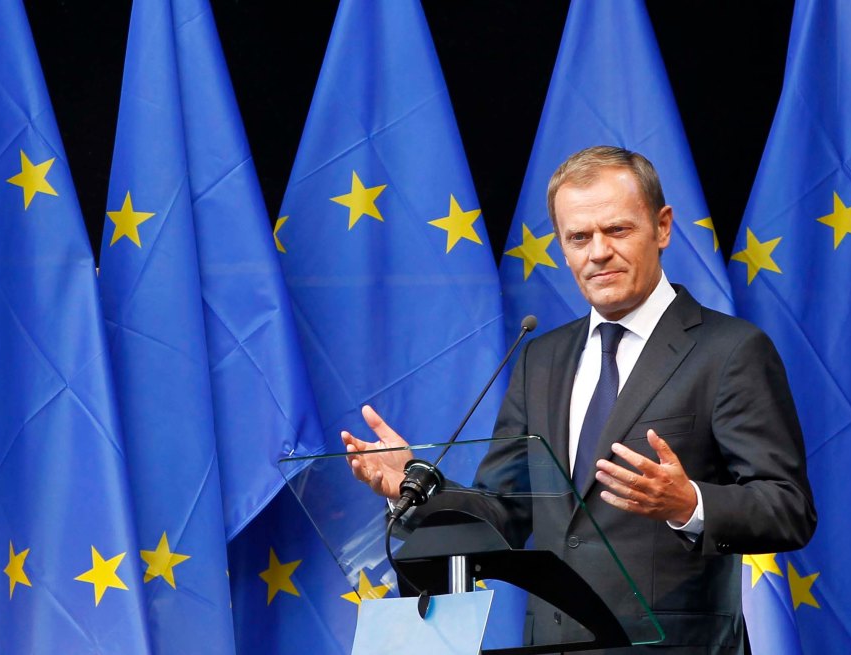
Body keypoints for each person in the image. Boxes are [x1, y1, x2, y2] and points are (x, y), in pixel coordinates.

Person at [341, 146, 816, 654]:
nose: (598, 252)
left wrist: (689, 504)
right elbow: (504, 510)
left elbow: (788, 508)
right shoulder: (540, 357)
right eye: (579, 237)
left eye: (617, 230)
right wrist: (414, 486)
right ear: (563, 249)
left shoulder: (730, 350)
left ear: (662, 227)